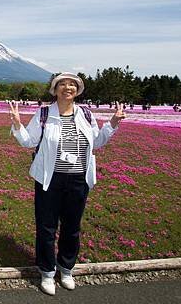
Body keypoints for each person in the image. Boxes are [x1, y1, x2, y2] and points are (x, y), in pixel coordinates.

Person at [9, 72, 125, 296]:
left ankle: (66, 269)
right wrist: (17, 125)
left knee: (72, 227)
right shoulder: (44, 113)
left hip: (79, 179)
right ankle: (47, 272)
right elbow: (28, 142)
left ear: (77, 91)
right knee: (46, 227)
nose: (67, 87)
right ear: (55, 90)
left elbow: (97, 143)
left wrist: (112, 123)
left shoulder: (85, 114)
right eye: (62, 84)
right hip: (49, 179)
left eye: (72, 84)